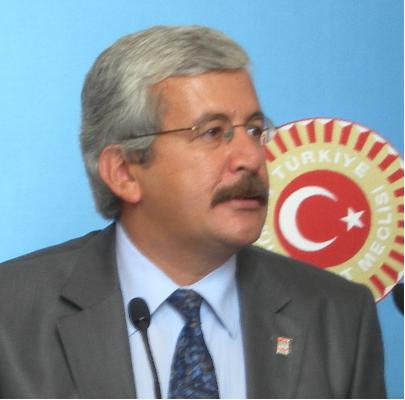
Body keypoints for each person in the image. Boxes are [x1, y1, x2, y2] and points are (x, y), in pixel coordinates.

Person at [0, 25, 385, 399]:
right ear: (124, 171)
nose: (251, 158)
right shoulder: (10, 315)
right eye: (212, 132)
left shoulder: (338, 315)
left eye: (254, 130)